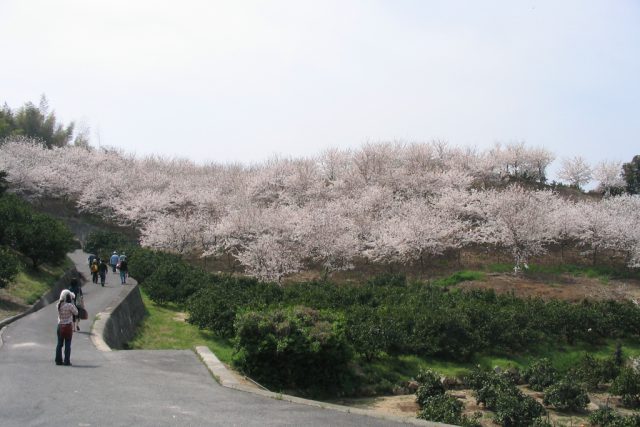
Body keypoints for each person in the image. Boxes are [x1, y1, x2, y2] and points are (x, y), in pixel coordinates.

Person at [55, 289, 78, 366]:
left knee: (59, 344)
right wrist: (72, 302)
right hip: (68, 326)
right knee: (67, 344)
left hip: (60, 326)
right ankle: (66, 361)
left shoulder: (59, 305)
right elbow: (76, 312)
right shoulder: (70, 306)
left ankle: (58, 360)